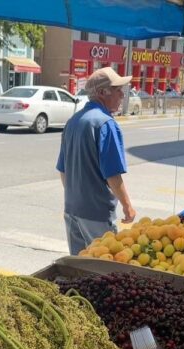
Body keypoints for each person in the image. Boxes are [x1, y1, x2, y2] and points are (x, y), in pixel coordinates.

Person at [56, 67, 136, 256]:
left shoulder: (73, 121)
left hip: (72, 209)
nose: (122, 96)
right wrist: (127, 206)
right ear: (102, 93)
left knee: (78, 268)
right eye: (118, 90)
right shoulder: (106, 124)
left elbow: (63, 170)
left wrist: (76, 197)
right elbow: (113, 176)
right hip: (96, 214)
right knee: (101, 268)